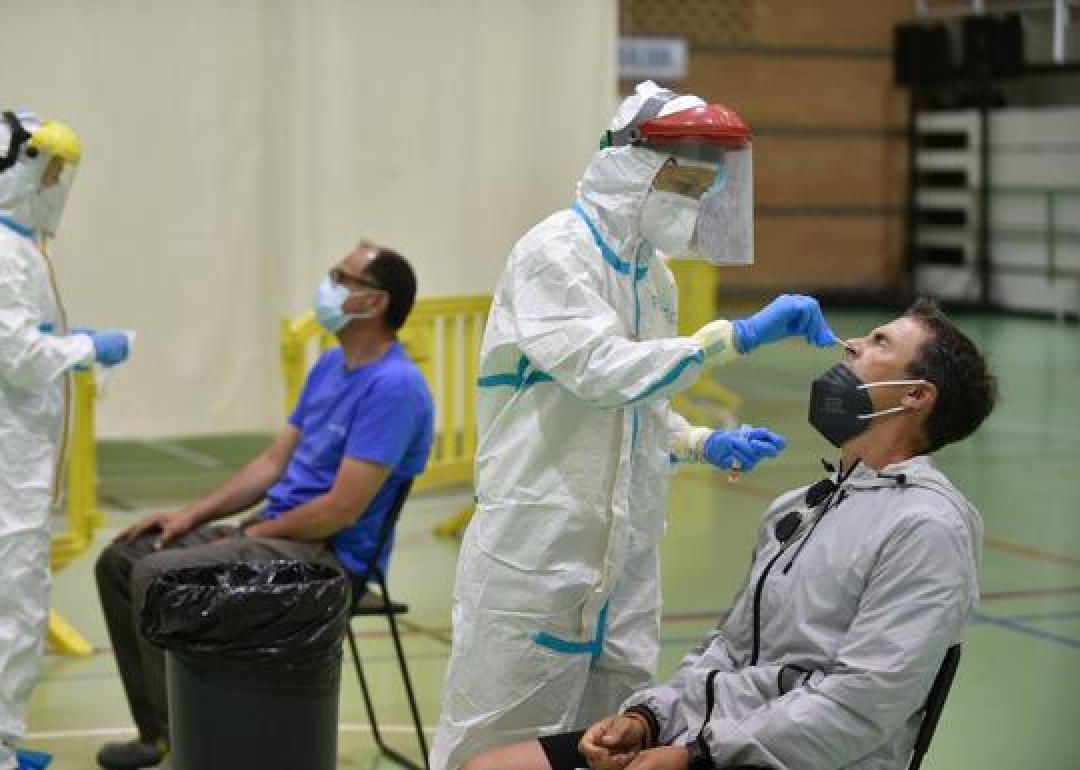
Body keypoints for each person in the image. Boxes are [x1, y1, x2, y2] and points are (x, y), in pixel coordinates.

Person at [429, 81, 840, 769]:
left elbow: (636, 406)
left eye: (704, 187)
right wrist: (733, 337)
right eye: (683, 182)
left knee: (610, 741)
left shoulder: (654, 277)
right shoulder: (556, 253)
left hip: (623, 563)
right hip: (537, 554)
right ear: (629, 167)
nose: (694, 200)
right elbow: (601, 369)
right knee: (498, 748)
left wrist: (700, 442)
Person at [461, 298, 997, 770]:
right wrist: (648, 720)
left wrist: (697, 755)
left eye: (879, 341)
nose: (852, 344)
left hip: (794, 757)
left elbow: (859, 706)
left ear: (916, 395)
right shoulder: (801, 507)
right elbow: (727, 650)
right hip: (715, 739)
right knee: (487, 766)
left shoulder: (927, 527)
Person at [94, 242, 435, 770]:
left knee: (157, 575)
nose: (328, 285)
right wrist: (191, 516)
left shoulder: (396, 388)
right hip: (275, 533)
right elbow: (272, 463)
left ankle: (191, 748)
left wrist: (251, 535)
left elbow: (340, 510)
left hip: (326, 557)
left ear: (375, 302)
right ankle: (162, 734)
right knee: (123, 559)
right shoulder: (330, 364)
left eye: (341, 277)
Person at [0, 110, 132, 770]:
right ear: (27, 169)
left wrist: (62, 344)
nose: (60, 185)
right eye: (55, 171)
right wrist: (89, 348)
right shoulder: (1, 254)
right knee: (6, 605)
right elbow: (23, 360)